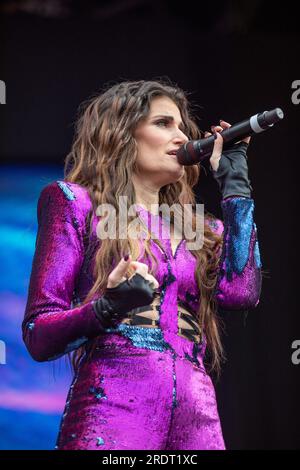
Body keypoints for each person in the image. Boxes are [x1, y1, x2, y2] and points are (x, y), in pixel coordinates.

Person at [22, 79, 262, 450]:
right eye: (164, 124)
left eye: (183, 127)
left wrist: (236, 186)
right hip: (114, 408)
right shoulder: (76, 203)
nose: (182, 137)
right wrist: (107, 307)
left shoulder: (204, 228)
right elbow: (39, 334)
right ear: (122, 134)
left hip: (197, 416)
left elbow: (242, 293)